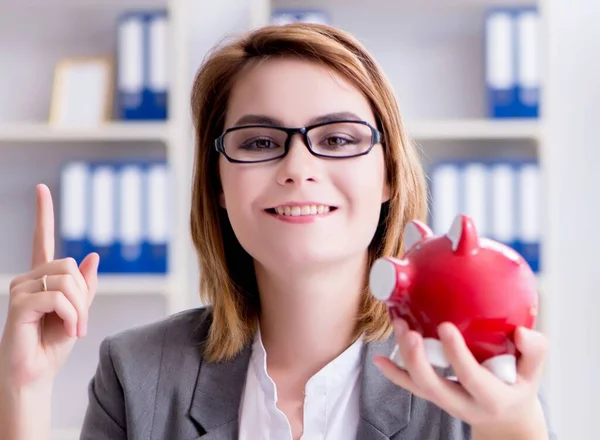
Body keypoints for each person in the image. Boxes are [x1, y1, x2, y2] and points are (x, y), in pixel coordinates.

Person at [0, 23, 556, 440]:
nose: (298, 166)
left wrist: (516, 428)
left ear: (388, 174)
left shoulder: (464, 378)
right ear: (218, 184)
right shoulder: (138, 371)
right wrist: (24, 390)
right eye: (260, 142)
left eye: (337, 139)